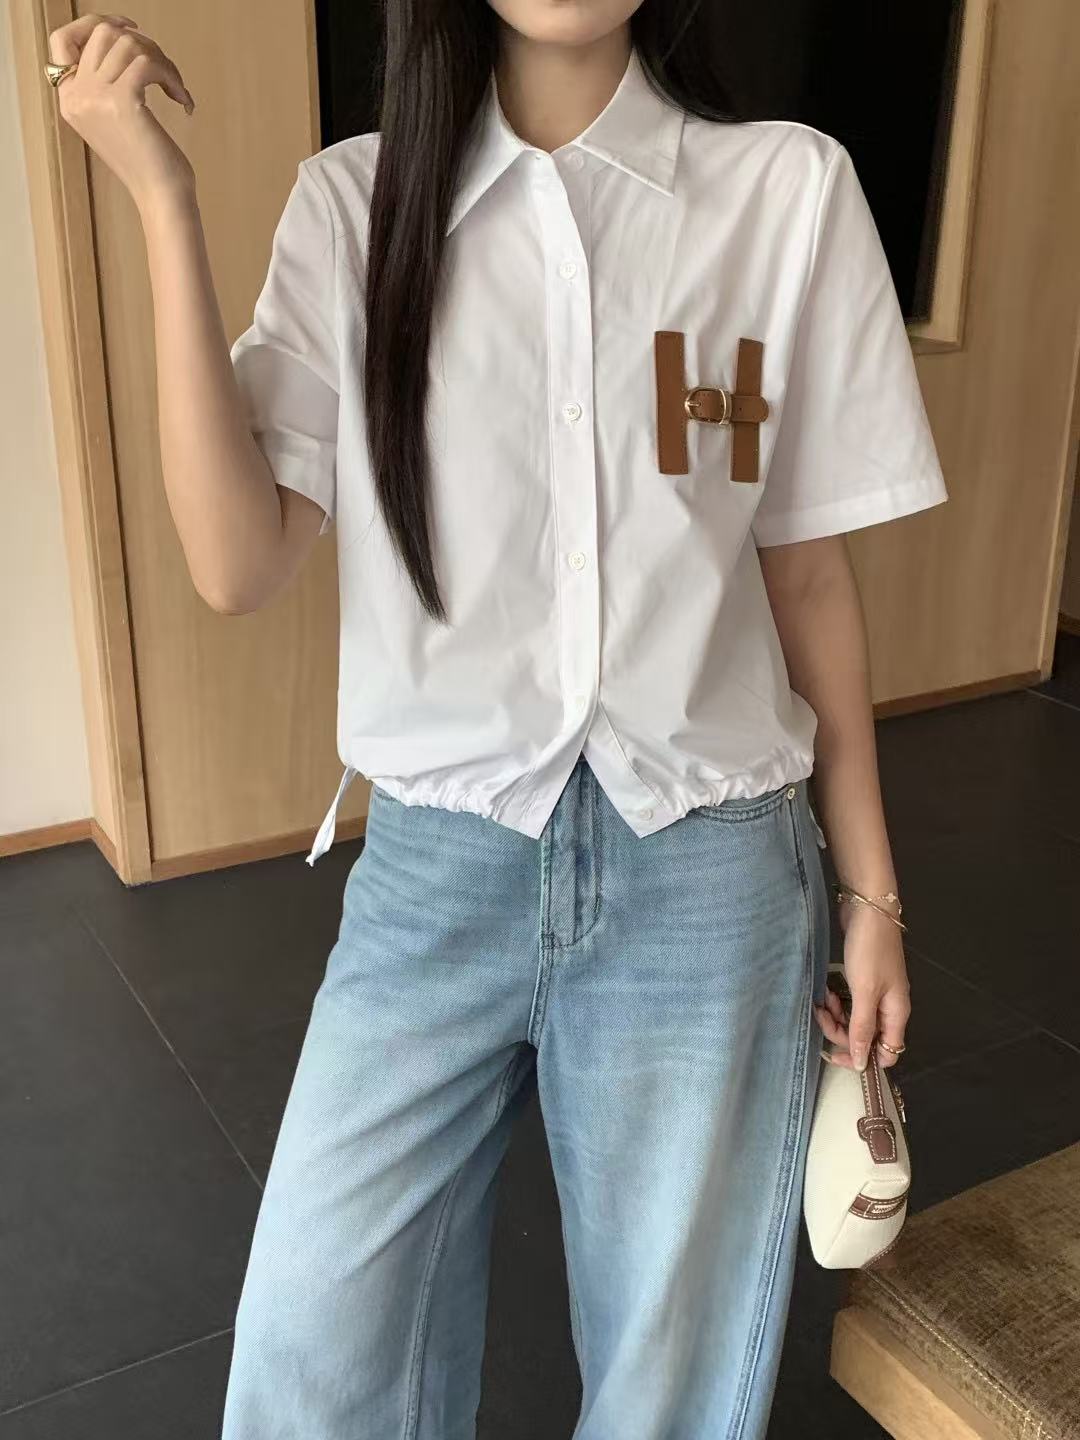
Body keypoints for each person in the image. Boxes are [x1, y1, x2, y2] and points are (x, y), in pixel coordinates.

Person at [47, 3, 946, 1436]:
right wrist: (163, 201)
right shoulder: (356, 204)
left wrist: (873, 895)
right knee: (312, 1357)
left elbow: (810, 577)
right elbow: (236, 561)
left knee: (671, 1387)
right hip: (437, 868)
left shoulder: (784, 189)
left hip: (708, 872)